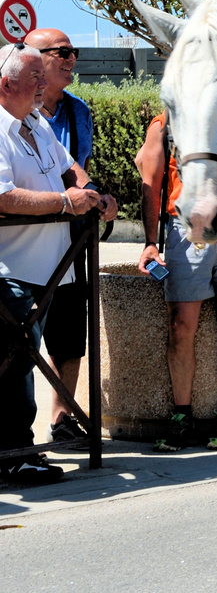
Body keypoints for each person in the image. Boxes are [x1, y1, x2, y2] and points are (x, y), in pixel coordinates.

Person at [0, 44, 117, 483]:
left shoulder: (36, 121)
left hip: (52, 269)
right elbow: (2, 195)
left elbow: (69, 168)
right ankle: (15, 451)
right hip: (10, 268)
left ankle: (19, 447)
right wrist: (64, 204)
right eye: (35, 78)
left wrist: (95, 195)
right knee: (16, 353)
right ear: (6, 83)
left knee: (25, 356)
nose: (43, 85)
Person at [136, 112, 217, 451]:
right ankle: (181, 417)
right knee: (181, 325)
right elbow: (151, 184)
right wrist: (151, 241)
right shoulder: (164, 124)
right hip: (186, 230)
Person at [23, 29, 95, 444]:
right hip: (23, 243)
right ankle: (15, 433)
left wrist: (95, 195)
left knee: (70, 330)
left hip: (69, 240)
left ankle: (62, 416)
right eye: (62, 52)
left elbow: (75, 166)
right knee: (21, 336)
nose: (71, 59)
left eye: (74, 52)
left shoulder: (77, 112)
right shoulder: (14, 115)